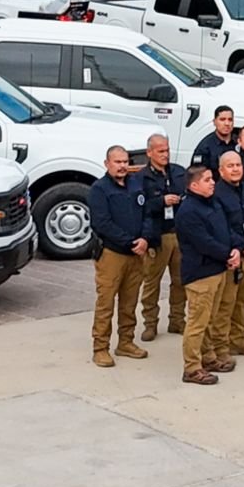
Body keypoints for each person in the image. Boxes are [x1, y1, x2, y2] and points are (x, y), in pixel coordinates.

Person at [88, 145, 154, 367]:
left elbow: (147, 214)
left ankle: (126, 342)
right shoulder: (99, 189)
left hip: (137, 255)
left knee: (129, 302)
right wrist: (129, 241)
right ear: (107, 164)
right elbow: (102, 223)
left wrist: (145, 238)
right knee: (106, 302)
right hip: (112, 254)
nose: (122, 166)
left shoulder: (136, 185)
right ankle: (100, 347)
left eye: (125, 161)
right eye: (117, 162)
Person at [175, 165, 238, 384]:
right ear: (194, 185)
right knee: (197, 322)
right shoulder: (188, 210)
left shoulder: (213, 202)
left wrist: (235, 248)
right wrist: (228, 254)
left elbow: (225, 229)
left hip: (218, 269)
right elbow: (203, 242)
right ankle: (192, 368)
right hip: (200, 274)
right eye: (207, 179)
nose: (213, 182)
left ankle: (209, 357)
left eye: (212, 178)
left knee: (210, 319)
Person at [213, 152, 244, 360]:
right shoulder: (216, 194)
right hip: (232, 256)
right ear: (221, 170)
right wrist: (243, 245)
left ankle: (239, 339)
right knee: (226, 303)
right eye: (230, 166)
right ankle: (221, 345)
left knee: (242, 300)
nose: (235, 169)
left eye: (238, 165)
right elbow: (221, 227)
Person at [137, 134, 187, 342]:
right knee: (151, 282)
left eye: (166, 150)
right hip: (157, 236)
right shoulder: (141, 178)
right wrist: (160, 201)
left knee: (180, 281)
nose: (165, 155)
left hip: (179, 234)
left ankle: (177, 319)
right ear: (149, 153)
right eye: (160, 151)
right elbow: (139, 206)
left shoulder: (178, 172)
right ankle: (150, 323)